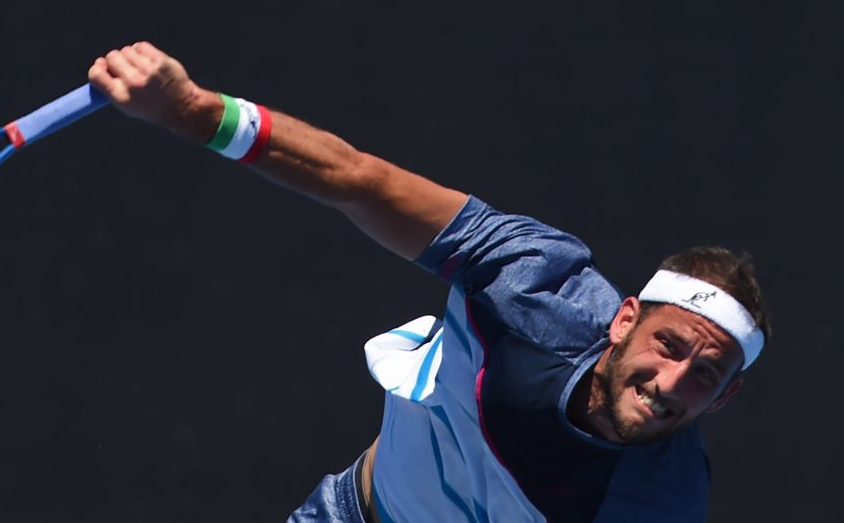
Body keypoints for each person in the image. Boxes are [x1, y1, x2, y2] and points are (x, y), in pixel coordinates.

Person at [88, 42, 771, 523]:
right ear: (624, 321)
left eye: (707, 373)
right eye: (671, 346)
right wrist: (192, 111)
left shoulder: (660, 502)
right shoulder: (535, 284)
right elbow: (361, 180)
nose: (673, 382)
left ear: (726, 397)